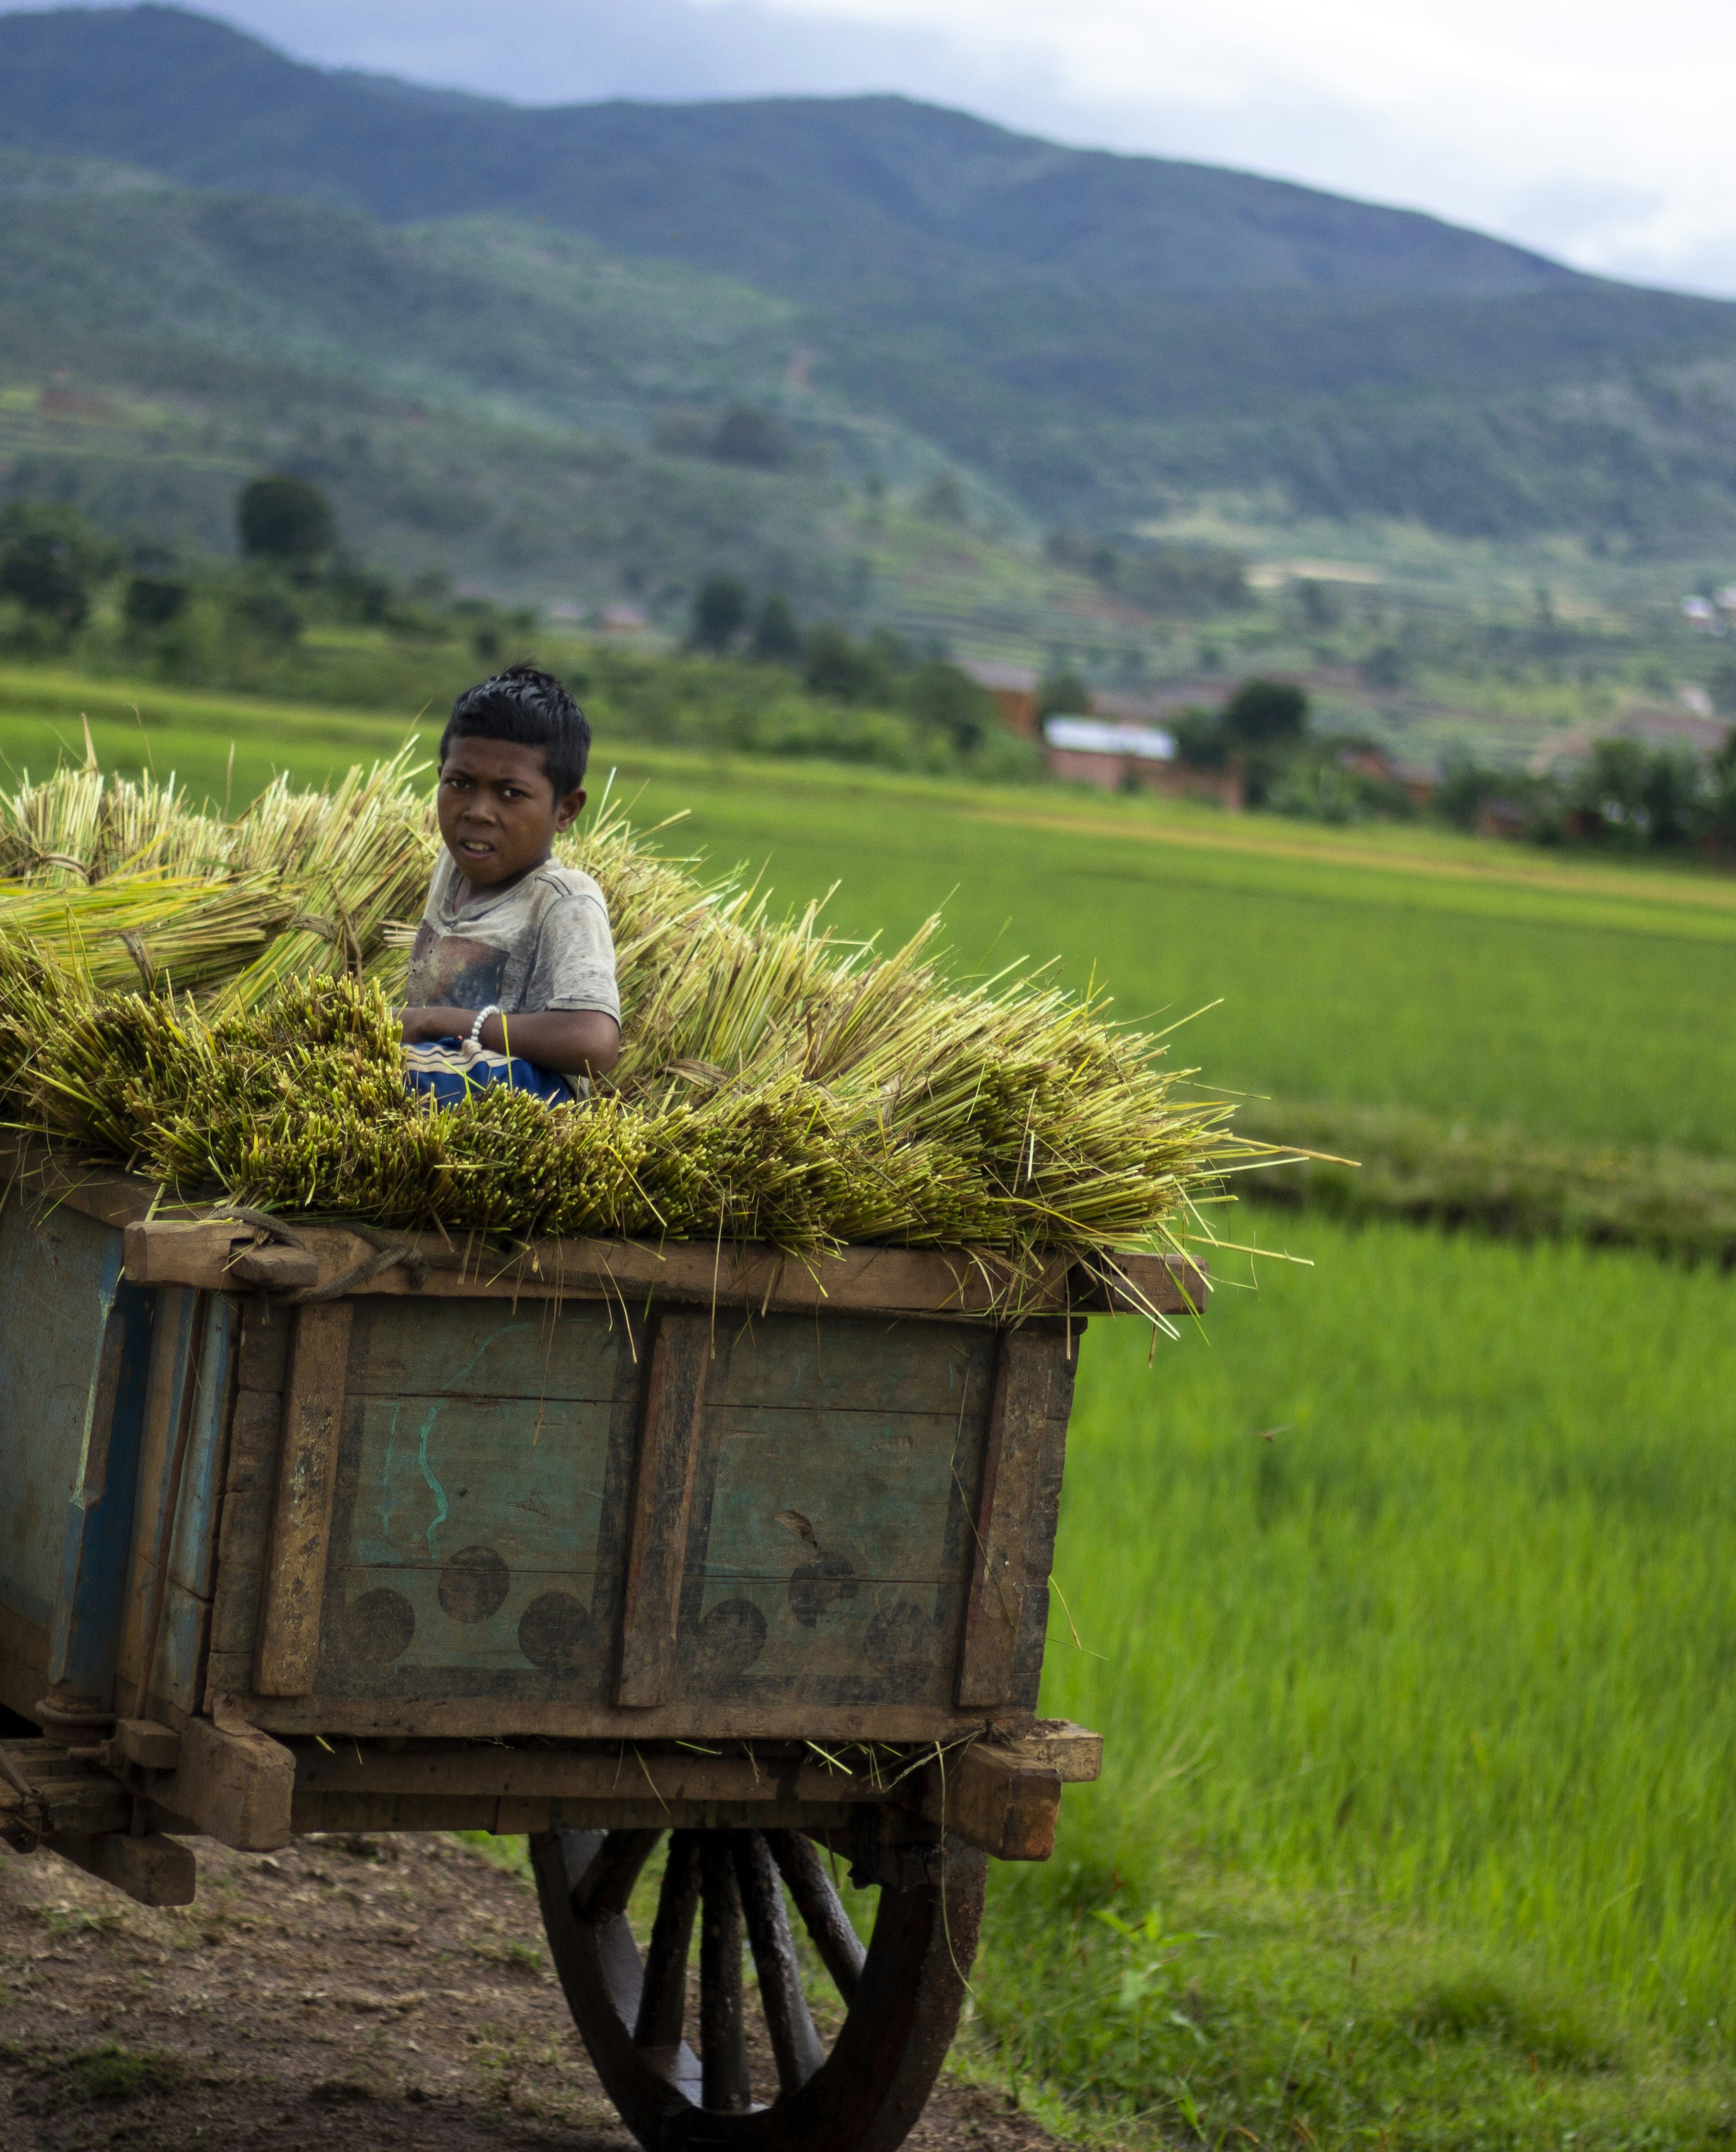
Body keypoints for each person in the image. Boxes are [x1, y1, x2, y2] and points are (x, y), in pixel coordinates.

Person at [399, 663, 620, 1105]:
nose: (477, 811)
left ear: (566, 810)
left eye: (510, 794)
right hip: (442, 1066)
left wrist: (431, 1021)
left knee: (392, 1077)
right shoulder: (452, 867)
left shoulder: (564, 899)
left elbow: (593, 1042)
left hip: (528, 1097)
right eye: (460, 784)